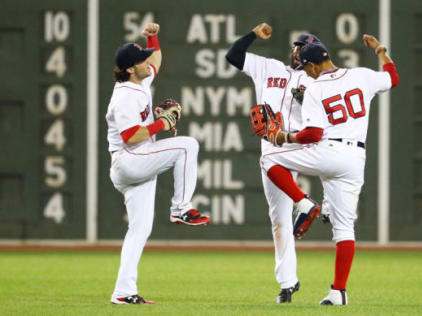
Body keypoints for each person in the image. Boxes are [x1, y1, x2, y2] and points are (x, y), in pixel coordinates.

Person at [260, 34, 399, 305]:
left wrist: (284, 137)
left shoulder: (316, 88)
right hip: (356, 157)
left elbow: (312, 134)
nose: (306, 73)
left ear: (311, 66)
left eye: (305, 68)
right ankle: (339, 292)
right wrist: (381, 50)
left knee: (269, 159)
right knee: (345, 228)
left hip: (328, 151)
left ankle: (303, 203)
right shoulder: (361, 75)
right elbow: (392, 77)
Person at [106, 22, 210, 305]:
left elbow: (156, 60)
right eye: (140, 59)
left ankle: (123, 292)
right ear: (130, 68)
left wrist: (153, 39)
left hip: (137, 164)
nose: (146, 61)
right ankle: (180, 208)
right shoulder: (125, 95)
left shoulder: (140, 80)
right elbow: (130, 136)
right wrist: (161, 124)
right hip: (129, 160)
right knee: (188, 146)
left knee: (139, 230)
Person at [226, 23, 329, 304]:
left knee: (270, 159)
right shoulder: (269, 67)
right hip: (273, 146)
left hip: (300, 145)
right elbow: (233, 56)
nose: (299, 51)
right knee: (278, 219)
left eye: (305, 48)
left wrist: (308, 98)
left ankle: (310, 203)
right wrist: (252, 36)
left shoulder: (317, 80)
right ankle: (288, 283)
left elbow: (329, 118)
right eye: (298, 46)